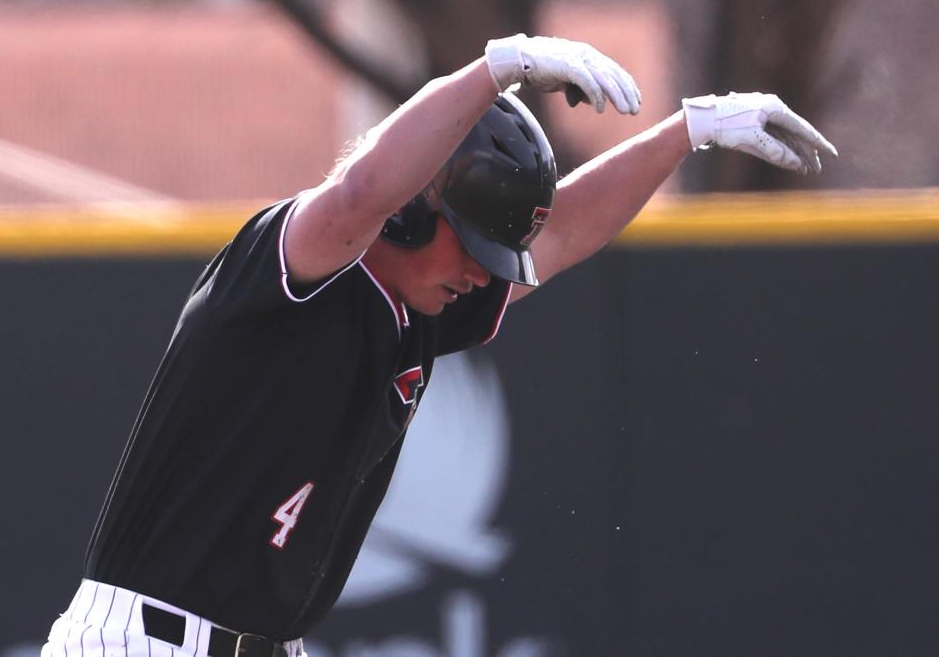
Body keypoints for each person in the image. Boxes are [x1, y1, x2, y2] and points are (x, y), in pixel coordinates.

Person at [41, 33, 836, 657]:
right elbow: (361, 190)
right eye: (472, 248)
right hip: (145, 638)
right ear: (414, 212)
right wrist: (496, 68)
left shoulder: (419, 306)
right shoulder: (286, 270)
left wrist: (687, 129)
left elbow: (559, 237)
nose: (479, 276)